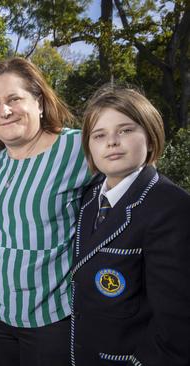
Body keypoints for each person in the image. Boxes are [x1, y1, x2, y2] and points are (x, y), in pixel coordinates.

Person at [0, 57, 91, 365]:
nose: (5, 111)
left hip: (52, 318)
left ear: (39, 101)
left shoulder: (78, 149)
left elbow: (137, 186)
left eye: (14, 99)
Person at [71, 85, 190, 365]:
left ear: (150, 135)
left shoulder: (172, 208)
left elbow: (176, 326)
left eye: (125, 130)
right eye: (99, 135)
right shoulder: (90, 199)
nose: (111, 141)